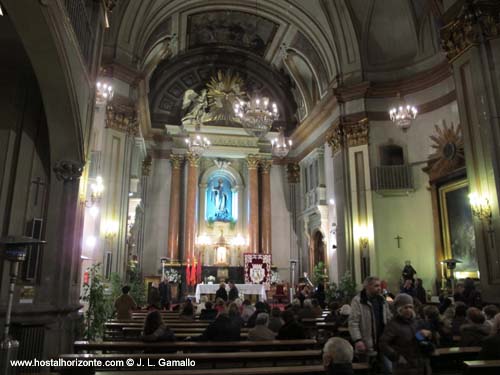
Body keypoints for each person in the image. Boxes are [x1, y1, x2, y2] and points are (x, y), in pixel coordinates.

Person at [380, 293, 433, 375]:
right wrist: (396, 357)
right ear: (399, 309)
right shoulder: (393, 325)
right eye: (405, 307)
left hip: (420, 364)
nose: (408, 310)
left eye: (410, 307)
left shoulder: (417, 322)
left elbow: (416, 339)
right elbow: (383, 343)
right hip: (404, 367)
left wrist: (427, 336)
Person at [349, 276, 392, 362]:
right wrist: (358, 340)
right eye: (376, 286)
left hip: (383, 341)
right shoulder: (358, 301)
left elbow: (388, 317)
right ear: (367, 287)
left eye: (379, 286)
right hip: (366, 342)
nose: (379, 288)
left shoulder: (382, 300)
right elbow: (353, 322)